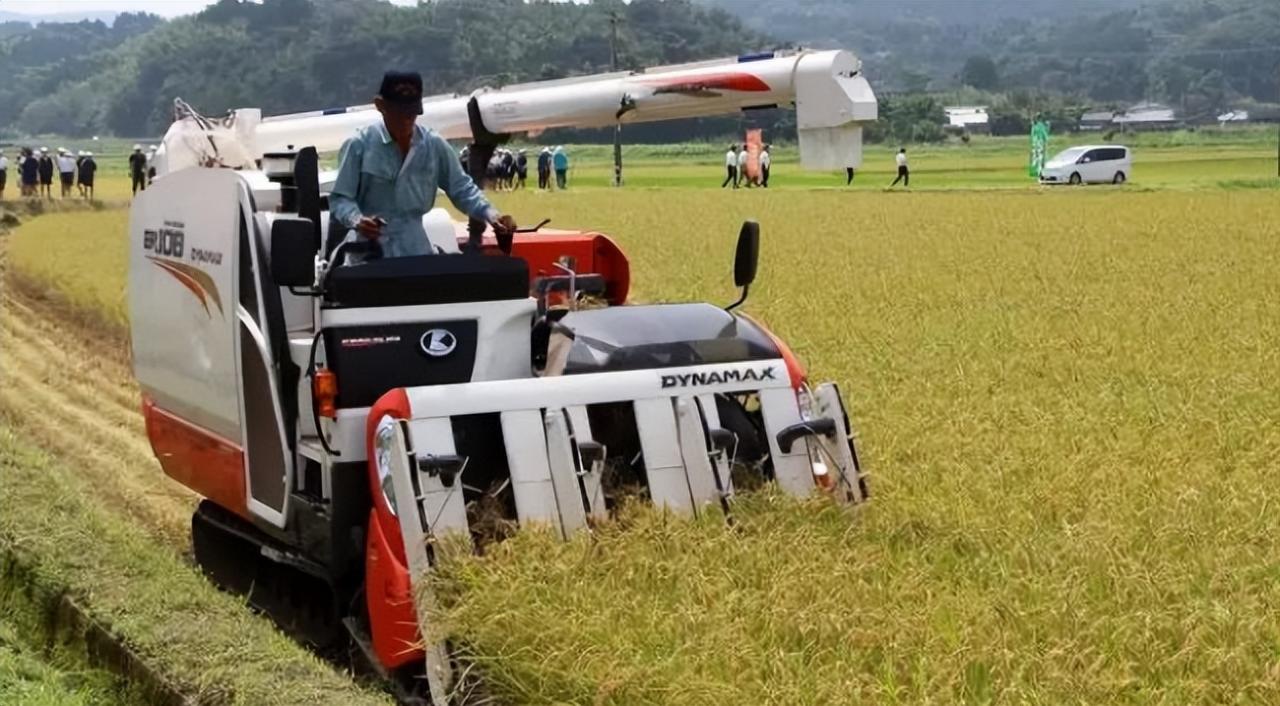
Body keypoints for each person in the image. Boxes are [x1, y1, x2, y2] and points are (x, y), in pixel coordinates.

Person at [329, 70, 516, 259]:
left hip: (416, 251)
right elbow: (340, 200)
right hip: (369, 254)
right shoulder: (359, 146)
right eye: (398, 114)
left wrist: (492, 215)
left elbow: (462, 189)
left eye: (411, 114)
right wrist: (357, 220)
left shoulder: (433, 145)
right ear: (380, 105)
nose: (406, 121)